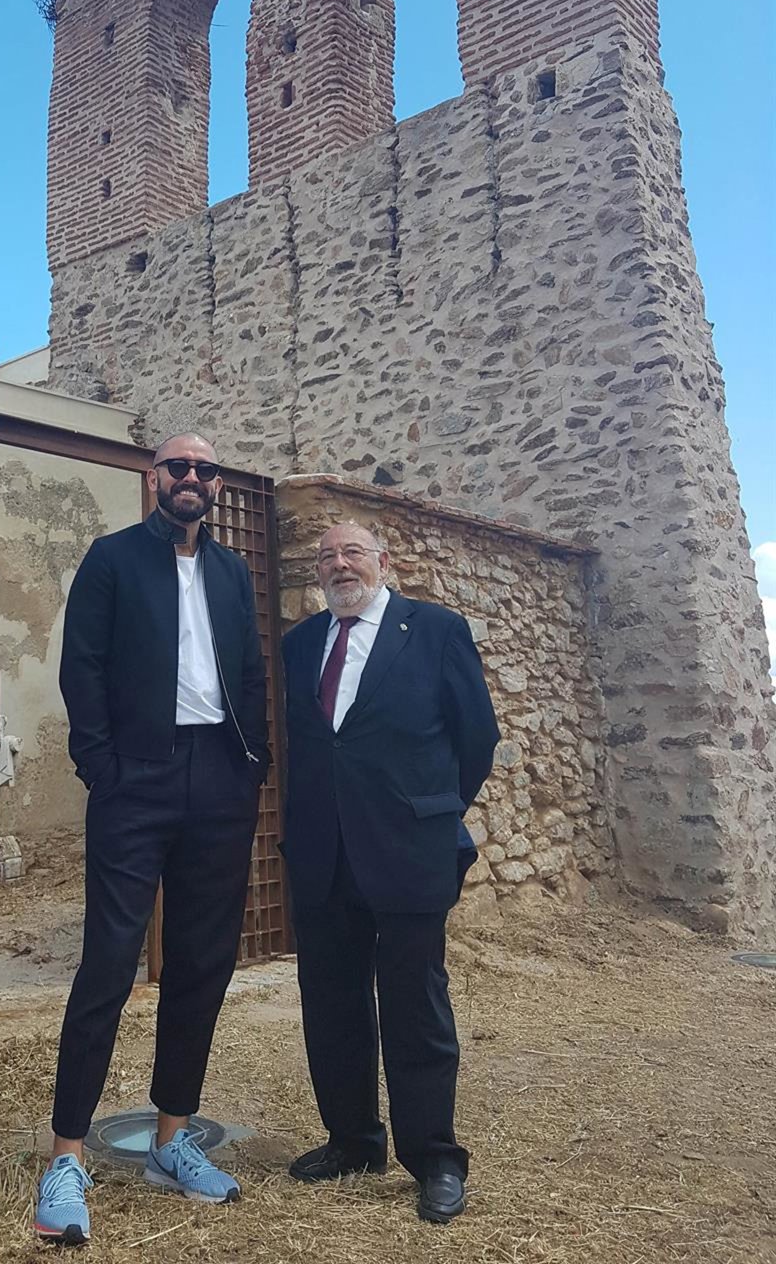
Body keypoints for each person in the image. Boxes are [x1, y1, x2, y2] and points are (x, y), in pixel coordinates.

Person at [34, 432, 270, 1247]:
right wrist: (102, 767)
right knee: (109, 959)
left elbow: (249, 672)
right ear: (154, 477)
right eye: (179, 466)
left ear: (215, 486)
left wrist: (253, 762)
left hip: (220, 779)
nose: (192, 477)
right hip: (136, 777)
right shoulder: (112, 559)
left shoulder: (232, 571)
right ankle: (67, 1156)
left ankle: (173, 1139)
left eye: (205, 469)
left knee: (203, 962)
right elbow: (82, 667)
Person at [281, 520, 499, 1224]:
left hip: (409, 851)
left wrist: (430, 812)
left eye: (352, 552)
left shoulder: (434, 630)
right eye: (326, 557)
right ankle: (353, 1141)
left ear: (382, 561)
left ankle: (435, 1158)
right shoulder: (300, 646)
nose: (339, 565)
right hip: (323, 855)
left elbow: (477, 737)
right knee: (332, 1003)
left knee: (416, 1006)